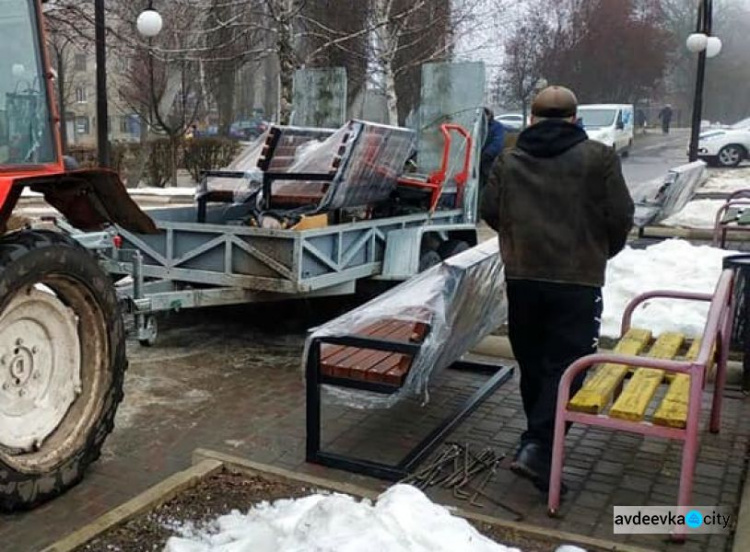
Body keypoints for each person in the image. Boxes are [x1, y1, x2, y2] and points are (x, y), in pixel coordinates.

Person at [480, 86, 634, 493]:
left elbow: (490, 211)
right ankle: (538, 446)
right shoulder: (599, 157)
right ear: (573, 118)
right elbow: (620, 215)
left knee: (532, 363)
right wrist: (600, 250)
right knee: (566, 367)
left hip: (523, 278)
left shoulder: (508, 159)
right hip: (577, 281)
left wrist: (519, 242)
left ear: (532, 118)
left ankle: (538, 446)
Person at [480, 107, 506, 190]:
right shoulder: (478, 127)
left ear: (489, 115)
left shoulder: (497, 127)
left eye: (485, 115)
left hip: (489, 161)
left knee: (489, 185)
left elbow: (497, 144)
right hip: (475, 161)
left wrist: (485, 155)